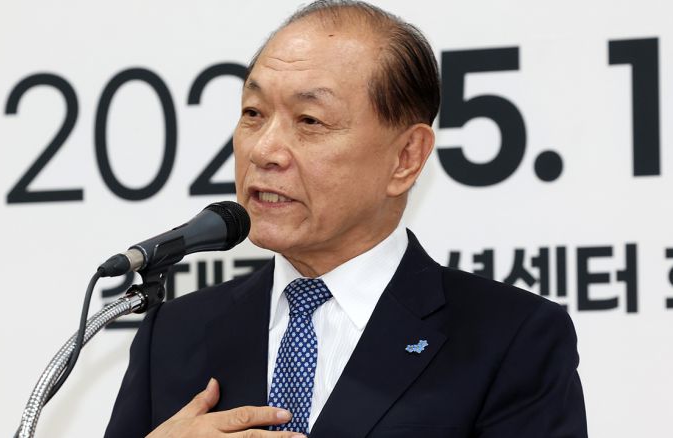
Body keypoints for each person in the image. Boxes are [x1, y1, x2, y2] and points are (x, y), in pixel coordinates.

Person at [105, 1, 588, 437]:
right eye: (253, 113)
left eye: (310, 121)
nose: (265, 150)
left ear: (406, 158)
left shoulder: (511, 339)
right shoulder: (172, 336)